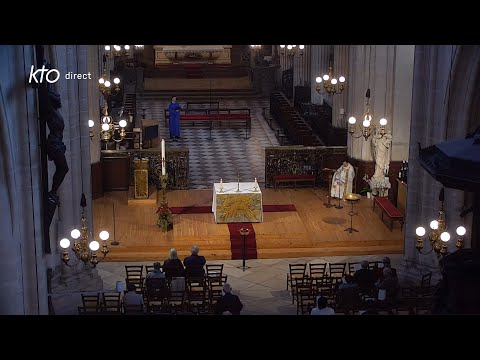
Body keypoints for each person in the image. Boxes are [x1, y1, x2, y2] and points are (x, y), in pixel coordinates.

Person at [40, 84, 69, 206]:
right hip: (54, 143)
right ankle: (52, 192)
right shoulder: (51, 111)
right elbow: (45, 98)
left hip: (58, 143)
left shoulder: (56, 113)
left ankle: (53, 192)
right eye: (57, 98)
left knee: (63, 168)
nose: (60, 100)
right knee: (63, 168)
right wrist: (44, 83)